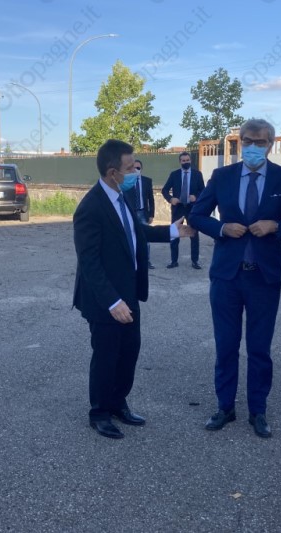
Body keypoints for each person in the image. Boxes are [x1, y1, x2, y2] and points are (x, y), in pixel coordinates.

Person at [73, 139, 194, 439]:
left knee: (128, 353)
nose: (135, 173)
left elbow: (135, 232)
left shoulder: (120, 196)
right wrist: (112, 302)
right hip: (105, 300)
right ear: (112, 172)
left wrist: (173, 231)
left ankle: (118, 403)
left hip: (128, 293)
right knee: (106, 357)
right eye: (129, 169)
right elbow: (89, 263)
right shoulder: (90, 208)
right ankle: (100, 413)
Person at [189, 119, 281, 438]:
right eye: (248, 141)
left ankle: (258, 410)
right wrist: (221, 228)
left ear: (271, 145)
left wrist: (276, 226)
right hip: (227, 276)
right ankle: (225, 407)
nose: (253, 147)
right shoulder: (222, 176)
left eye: (260, 142)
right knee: (226, 345)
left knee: (259, 348)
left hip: (264, 277)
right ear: (240, 142)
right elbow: (197, 215)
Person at [162, 152, 205, 269]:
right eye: (183, 160)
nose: (186, 162)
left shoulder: (197, 174)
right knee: (174, 234)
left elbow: (203, 190)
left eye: (187, 160)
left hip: (192, 208)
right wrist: (170, 199)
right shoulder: (174, 174)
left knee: (194, 234)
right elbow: (164, 190)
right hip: (178, 208)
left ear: (190, 160)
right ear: (180, 162)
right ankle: (174, 261)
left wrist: (196, 197)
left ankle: (195, 261)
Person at [122, 159, 156, 268]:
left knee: (146, 237)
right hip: (130, 213)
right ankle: (131, 260)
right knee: (130, 236)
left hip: (142, 213)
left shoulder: (147, 181)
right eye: (134, 167)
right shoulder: (126, 181)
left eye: (138, 168)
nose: (136, 170)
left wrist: (151, 214)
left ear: (141, 169)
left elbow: (151, 199)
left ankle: (146, 260)